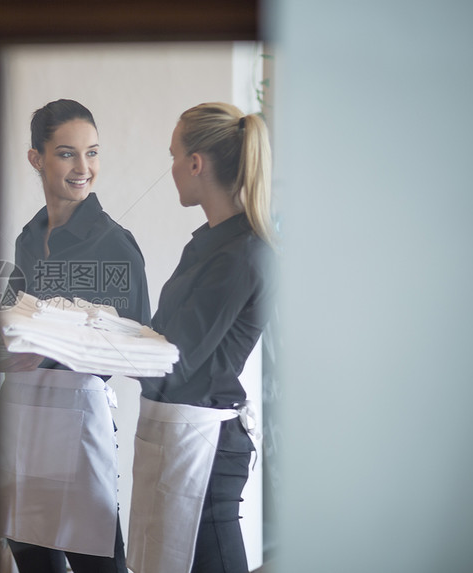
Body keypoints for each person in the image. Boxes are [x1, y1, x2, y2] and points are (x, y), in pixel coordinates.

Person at [0, 99, 151, 573]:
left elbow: (136, 343)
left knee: (98, 562)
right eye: (67, 153)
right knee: (30, 555)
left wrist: (52, 354)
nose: (84, 167)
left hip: (77, 422)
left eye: (92, 153)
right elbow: (19, 322)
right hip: (22, 418)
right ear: (36, 158)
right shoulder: (28, 238)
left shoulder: (115, 243)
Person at [127, 102, 276, 573]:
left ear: (196, 163)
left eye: (173, 156)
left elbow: (175, 356)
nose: (171, 168)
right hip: (177, 434)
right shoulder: (209, 242)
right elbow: (162, 334)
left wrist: (78, 343)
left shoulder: (243, 254)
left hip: (207, 449)